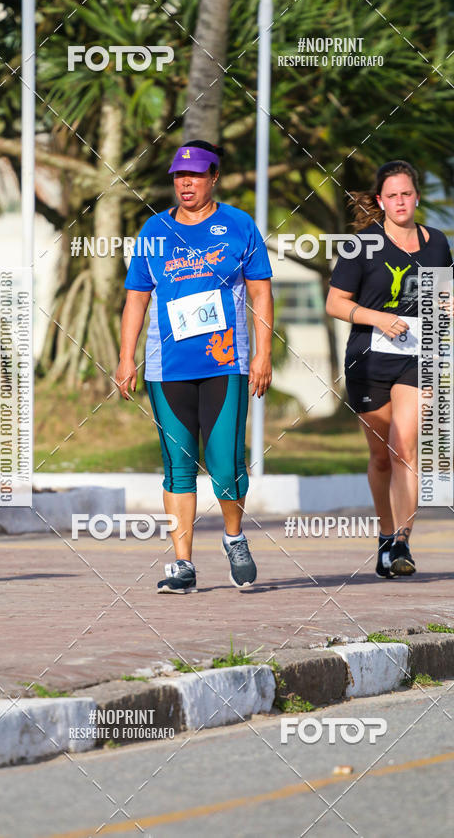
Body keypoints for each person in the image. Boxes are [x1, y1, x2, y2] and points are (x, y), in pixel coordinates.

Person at [115, 140, 274, 594]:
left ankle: (234, 537)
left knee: (225, 465)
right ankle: (182, 564)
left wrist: (263, 353)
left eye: (196, 176)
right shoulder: (154, 231)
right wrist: (127, 357)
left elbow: (261, 294)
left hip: (226, 362)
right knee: (178, 467)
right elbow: (136, 299)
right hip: (168, 369)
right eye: (179, 177)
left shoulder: (239, 226)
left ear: (214, 178)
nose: (186, 184)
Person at [326, 160, 454, 579]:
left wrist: (448, 306)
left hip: (416, 359)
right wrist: (377, 318)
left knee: (406, 449)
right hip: (368, 360)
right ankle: (385, 534)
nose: (400, 202)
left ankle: (402, 541)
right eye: (392, 195)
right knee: (381, 456)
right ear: (381, 201)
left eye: (407, 194)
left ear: (416, 197)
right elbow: (335, 304)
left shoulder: (436, 243)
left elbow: (441, 299)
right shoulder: (360, 245)